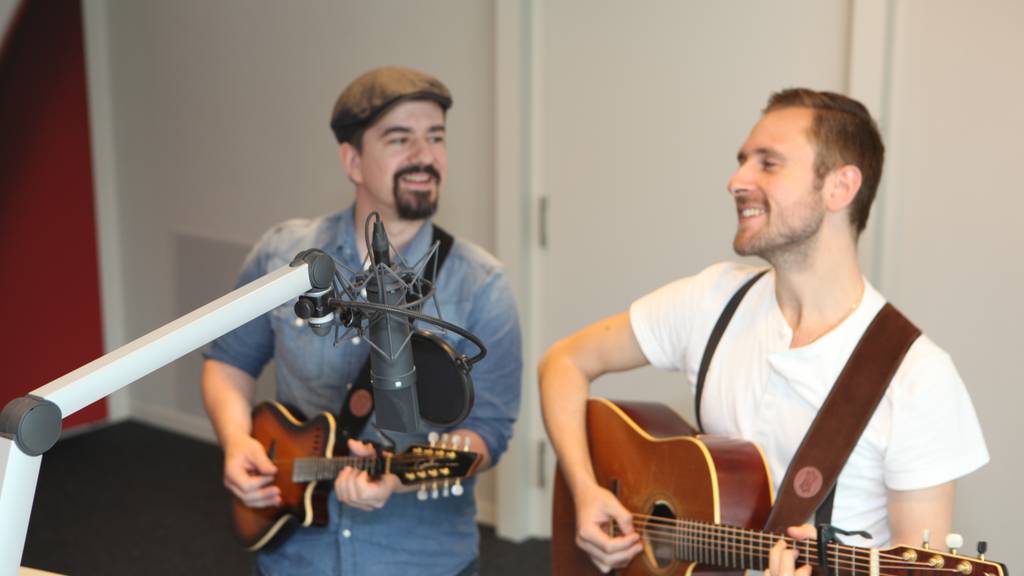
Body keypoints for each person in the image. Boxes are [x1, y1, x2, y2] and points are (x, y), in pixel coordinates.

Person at [538, 88, 988, 573]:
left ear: (839, 187)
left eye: (768, 164)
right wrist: (585, 490)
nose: (736, 181)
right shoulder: (711, 301)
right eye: (742, 161)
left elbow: (920, 564)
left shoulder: (918, 377)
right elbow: (563, 362)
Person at [202, 67, 522, 576]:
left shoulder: (483, 284)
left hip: (421, 560)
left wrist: (399, 478)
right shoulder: (283, 256)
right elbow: (228, 362)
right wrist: (237, 441)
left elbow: (489, 431)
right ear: (352, 160)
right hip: (294, 555)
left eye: (436, 137)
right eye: (400, 139)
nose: (424, 156)